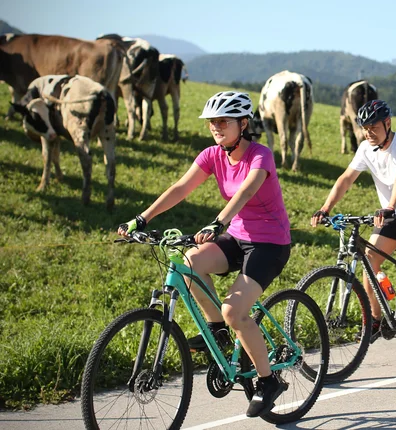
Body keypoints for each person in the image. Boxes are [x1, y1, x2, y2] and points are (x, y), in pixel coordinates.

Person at [117, 91, 291, 418]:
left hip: (270, 243)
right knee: (189, 264)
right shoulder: (212, 155)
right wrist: (142, 218)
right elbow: (181, 188)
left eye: (223, 121)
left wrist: (218, 222)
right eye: (212, 121)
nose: (215, 127)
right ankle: (218, 331)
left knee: (234, 310)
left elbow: (247, 190)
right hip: (237, 237)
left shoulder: (260, 155)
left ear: (243, 123)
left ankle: (268, 382)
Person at [309, 99, 396, 342]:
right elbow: (346, 179)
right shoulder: (365, 148)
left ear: (388, 123)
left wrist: (389, 207)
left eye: (373, 127)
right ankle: (376, 319)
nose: (368, 132)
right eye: (364, 128)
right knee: (369, 261)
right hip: (392, 213)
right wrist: (325, 208)